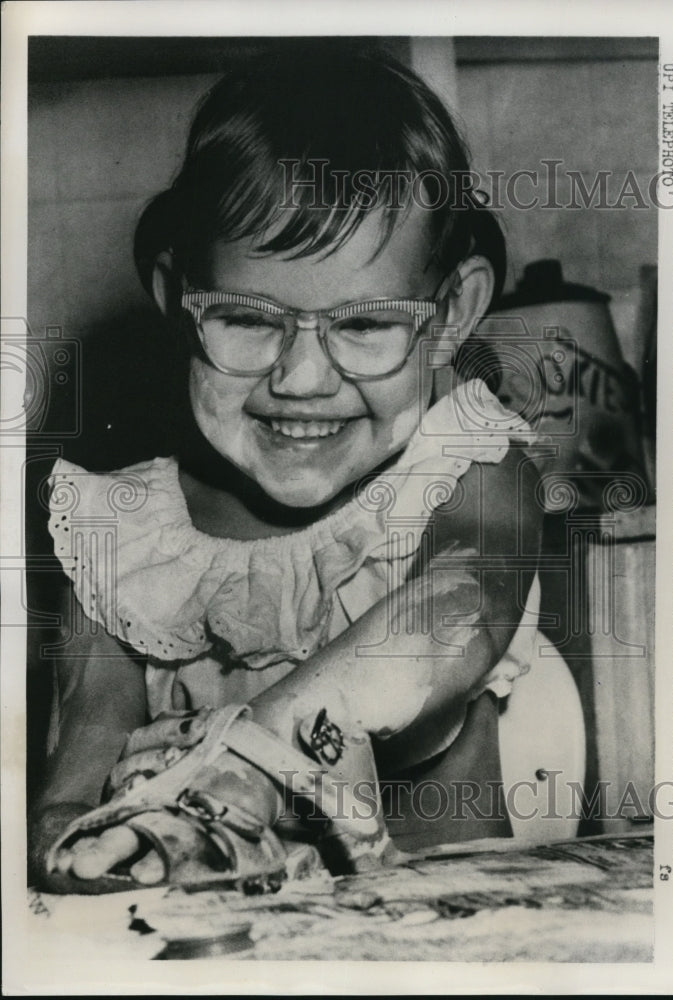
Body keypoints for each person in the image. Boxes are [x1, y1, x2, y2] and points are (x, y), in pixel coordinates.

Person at [29, 40, 542, 894]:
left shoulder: (463, 471)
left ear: (450, 315)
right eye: (247, 320)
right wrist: (79, 839)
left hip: (431, 936)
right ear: (175, 298)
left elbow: (457, 614)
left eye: (366, 326)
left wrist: (240, 765)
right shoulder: (117, 533)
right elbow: (71, 789)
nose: (302, 380)